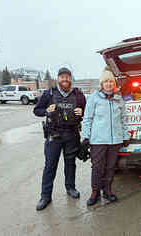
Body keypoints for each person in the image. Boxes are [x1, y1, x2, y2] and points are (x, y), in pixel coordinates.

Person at [33, 67, 86, 211]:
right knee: (50, 166)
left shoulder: (79, 95)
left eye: (67, 77)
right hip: (54, 135)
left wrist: (83, 112)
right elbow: (36, 110)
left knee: (70, 164)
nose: (65, 79)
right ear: (58, 79)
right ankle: (45, 196)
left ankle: (70, 188)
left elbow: (87, 112)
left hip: (72, 135)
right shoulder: (49, 93)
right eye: (62, 77)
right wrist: (46, 111)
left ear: (71, 79)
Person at [82, 68, 129, 206]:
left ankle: (107, 191)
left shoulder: (118, 99)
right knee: (97, 167)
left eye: (111, 81)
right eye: (106, 81)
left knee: (110, 167)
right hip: (98, 140)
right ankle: (95, 192)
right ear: (101, 84)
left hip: (115, 141)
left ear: (114, 83)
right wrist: (85, 137)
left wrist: (125, 136)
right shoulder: (93, 98)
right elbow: (87, 119)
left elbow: (123, 119)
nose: (108, 84)